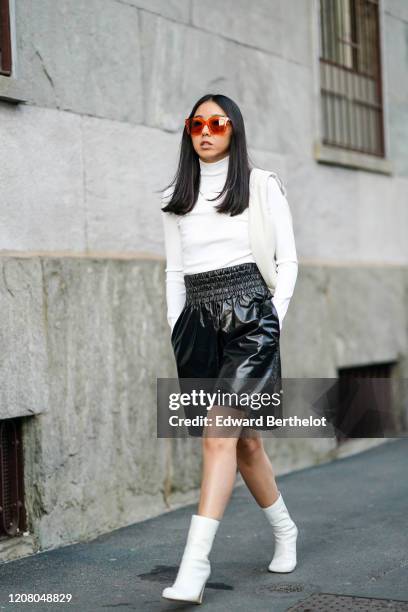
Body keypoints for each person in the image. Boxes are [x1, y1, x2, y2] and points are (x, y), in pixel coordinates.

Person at [160, 93, 299, 605]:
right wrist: (177, 325)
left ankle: (194, 567)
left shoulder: (261, 186)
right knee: (244, 444)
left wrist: (271, 322)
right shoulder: (177, 199)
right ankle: (285, 529)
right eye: (197, 123)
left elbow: (288, 262)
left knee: (218, 438)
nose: (206, 131)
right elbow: (175, 272)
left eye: (217, 123)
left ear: (234, 130)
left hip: (250, 320)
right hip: (195, 323)